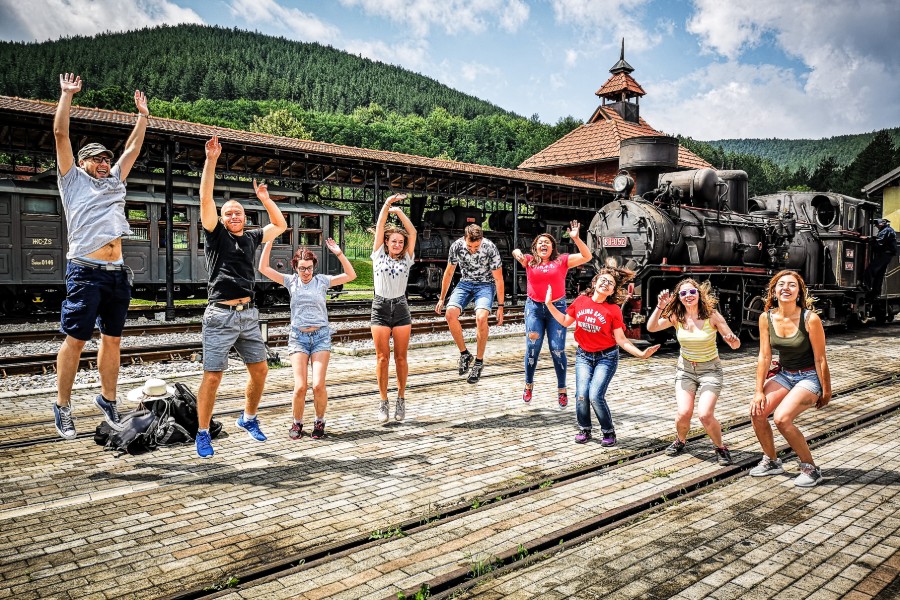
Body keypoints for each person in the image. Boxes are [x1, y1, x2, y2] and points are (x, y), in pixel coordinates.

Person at [52, 73, 150, 440]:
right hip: (85, 270)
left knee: (112, 339)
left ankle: (108, 399)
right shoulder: (72, 181)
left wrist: (142, 116)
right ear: (81, 162)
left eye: (107, 158)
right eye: (96, 158)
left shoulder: (116, 181)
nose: (104, 162)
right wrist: (67, 95)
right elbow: (60, 134)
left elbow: (133, 149)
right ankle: (62, 406)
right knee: (76, 339)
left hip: (116, 272)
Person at [195, 135, 287, 458]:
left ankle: (248, 418)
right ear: (222, 219)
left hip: (248, 314)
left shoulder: (251, 237)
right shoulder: (215, 235)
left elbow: (280, 224)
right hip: (220, 314)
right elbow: (205, 197)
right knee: (213, 376)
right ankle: (202, 432)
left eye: (239, 213)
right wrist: (211, 161)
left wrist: (264, 198)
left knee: (260, 370)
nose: (234, 216)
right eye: (229, 213)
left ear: (245, 218)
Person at [544, 269, 659, 445]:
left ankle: (608, 431)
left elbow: (621, 339)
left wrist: (641, 354)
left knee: (595, 396)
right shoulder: (581, 301)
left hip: (606, 357)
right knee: (581, 395)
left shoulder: (613, 310)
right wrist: (549, 304)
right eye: (603, 280)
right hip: (583, 356)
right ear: (594, 283)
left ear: (612, 291)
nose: (606, 284)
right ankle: (584, 429)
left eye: (610, 283)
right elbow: (565, 321)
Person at [259, 239, 355, 440]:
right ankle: (297, 422)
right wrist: (269, 242)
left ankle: (319, 421)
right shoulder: (290, 281)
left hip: (320, 337)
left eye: (309, 268)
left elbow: (350, 275)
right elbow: (263, 268)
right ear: (295, 267)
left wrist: (338, 253)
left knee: (318, 385)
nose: (306, 272)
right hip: (298, 338)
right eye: (302, 268)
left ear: (314, 267)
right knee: (300, 386)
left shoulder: (322, 281)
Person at [749, 270, 832, 487]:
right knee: (757, 412)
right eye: (781, 284)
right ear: (774, 291)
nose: (786, 288)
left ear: (799, 292)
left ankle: (810, 468)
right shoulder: (766, 318)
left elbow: (820, 358)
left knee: (782, 419)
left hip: (809, 376)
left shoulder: (810, 319)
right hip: (785, 374)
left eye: (792, 285)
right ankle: (772, 461)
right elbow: (764, 356)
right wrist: (758, 391)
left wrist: (826, 390)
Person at [646, 278, 741, 465]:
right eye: (683, 293)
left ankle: (720, 448)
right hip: (686, 370)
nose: (688, 296)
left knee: (705, 415)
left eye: (692, 292)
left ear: (699, 294)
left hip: (710, 371)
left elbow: (735, 345)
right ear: (679, 297)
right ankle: (680, 440)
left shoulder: (712, 315)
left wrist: (733, 340)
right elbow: (652, 327)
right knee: (683, 413)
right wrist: (660, 306)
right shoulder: (677, 316)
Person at [512, 221, 591, 408]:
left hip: (557, 308)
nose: (543, 244)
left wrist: (576, 238)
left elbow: (587, 256)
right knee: (533, 347)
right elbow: (516, 251)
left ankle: (562, 389)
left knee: (557, 349)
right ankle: (528, 385)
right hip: (534, 309)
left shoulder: (561, 261)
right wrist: (517, 253)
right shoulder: (530, 261)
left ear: (553, 247)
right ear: (535, 247)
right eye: (540, 242)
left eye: (547, 242)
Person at [435, 224, 505, 384]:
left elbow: (498, 278)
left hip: (485, 285)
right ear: (464, 239)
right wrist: (442, 298)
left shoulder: (490, 248)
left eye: (476, 247)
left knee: (481, 318)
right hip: (465, 283)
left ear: (481, 240)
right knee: (450, 314)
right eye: (469, 246)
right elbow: (449, 272)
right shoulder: (456, 246)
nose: (473, 249)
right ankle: (465, 354)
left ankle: (479, 362)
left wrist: (500, 306)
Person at [371, 193, 417, 423]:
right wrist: (388, 204)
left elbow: (413, 232)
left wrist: (399, 212)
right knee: (382, 358)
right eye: (394, 241)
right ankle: (383, 401)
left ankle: (400, 398)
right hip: (380, 306)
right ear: (386, 242)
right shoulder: (378, 254)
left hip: (400, 307)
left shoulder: (407, 258)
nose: (398, 244)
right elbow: (380, 226)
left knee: (400, 357)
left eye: (400, 241)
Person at [863, 218, 897, 297]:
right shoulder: (888, 230)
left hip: (884, 254)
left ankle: (866, 286)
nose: (877, 227)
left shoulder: (886, 230)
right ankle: (875, 292)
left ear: (881, 224)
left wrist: (869, 240)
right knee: (879, 274)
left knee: (871, 270)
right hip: (887, 254)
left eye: (877, 225)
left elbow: (879, 242)